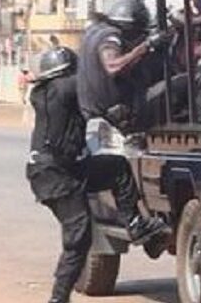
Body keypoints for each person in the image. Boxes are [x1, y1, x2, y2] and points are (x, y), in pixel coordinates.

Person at [26, 47, 168, 303]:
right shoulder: (62, 88)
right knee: (79, 239)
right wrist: (137, 52)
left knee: (116, 168)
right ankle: (58, 299)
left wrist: (108, 115)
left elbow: (87, 108)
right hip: (56, 176)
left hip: (62, 170)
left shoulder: (50, 94)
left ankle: (135, 225)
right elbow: (86, 88)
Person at [77, 0, 171, 133]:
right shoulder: (111, 36)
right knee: (194, 80)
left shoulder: (93, 32)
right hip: (115, 112)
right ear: (129, 27)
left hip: (96, 112)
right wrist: (146, 45)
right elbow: (113, 66)